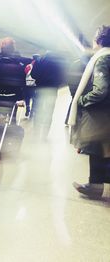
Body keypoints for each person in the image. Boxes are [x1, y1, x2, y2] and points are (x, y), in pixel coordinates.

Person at [70, 25, 110, 198]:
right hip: (105, 112)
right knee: (103, 149)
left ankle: (95, 187)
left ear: (100, 40)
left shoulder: (102, 59)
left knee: (96, 149)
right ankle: (95, 185)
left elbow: (101, 90)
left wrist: (82, 100)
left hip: (100, 113)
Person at [0, 37, 26, 157]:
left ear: (2, 47)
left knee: (0, 125)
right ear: (13, 48)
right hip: (13, 100)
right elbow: (22, 84)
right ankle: (11, 148)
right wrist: (21, 98)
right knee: (12, 124)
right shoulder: (19, 65)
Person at [30, 50, 66, 140]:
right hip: (52, 91)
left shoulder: (39, 61)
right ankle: (44, 136)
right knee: (49, 113)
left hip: (40, 89)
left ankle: (36, 134)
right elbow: (62, 77)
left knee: (38, 112)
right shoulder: (58, 63)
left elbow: (33, 75)